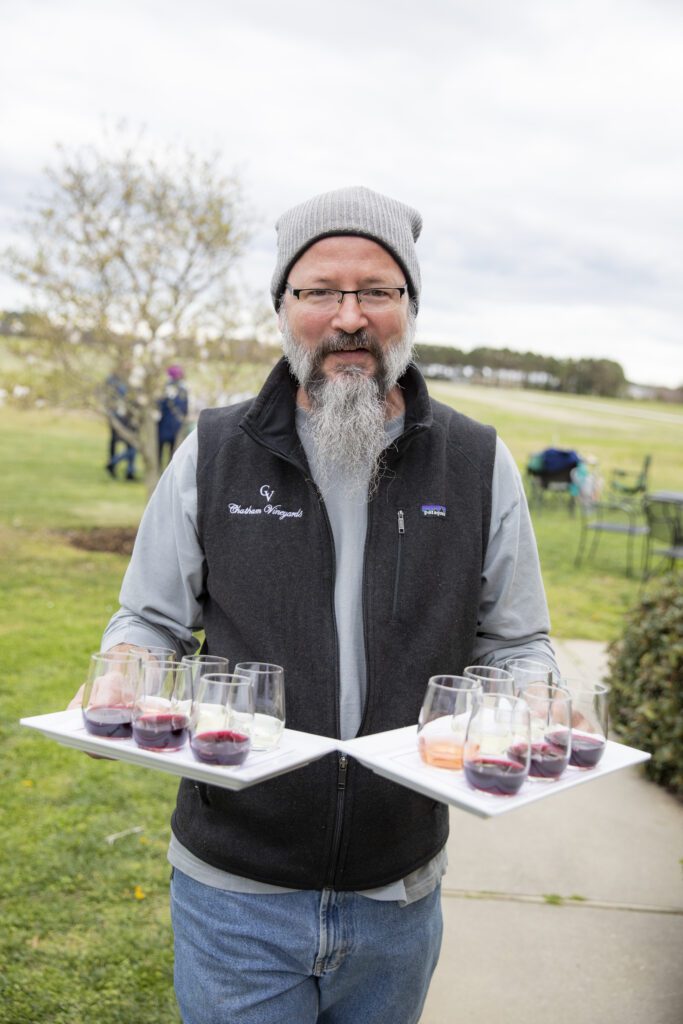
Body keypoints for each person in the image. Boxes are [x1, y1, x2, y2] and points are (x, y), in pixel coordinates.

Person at [92, 186, 558, 1023]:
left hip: (398, 891)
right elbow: (149, 620)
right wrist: (123, 675)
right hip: (234, 889)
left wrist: (536, 699)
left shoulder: (477, 462)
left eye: (377, 291)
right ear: (282, 306)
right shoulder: (215, 451)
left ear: (410, 306)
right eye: (319, 292)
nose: (349, 317)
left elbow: (517, 642)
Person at [104, 369, 138, 481]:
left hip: (128, 418)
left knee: (131, 446)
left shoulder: (129, 381)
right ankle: (115, 463)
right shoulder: (116, 382)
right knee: (131, 446)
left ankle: (129, 471)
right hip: (122, 418)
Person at [158, 365, 189, 468]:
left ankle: (167, 466)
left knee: (171, 446)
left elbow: (184, 405)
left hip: (173, 421)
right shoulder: (168, 387)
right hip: (166, 421)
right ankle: (160, 466)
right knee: (162, 445)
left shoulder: (182, 388)